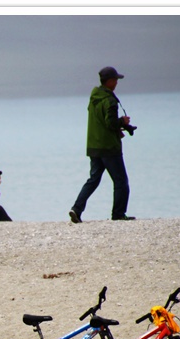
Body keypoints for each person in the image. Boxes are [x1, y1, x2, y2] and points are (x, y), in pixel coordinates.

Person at [68, 66, 135, 223]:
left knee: (93, 180)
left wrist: (120, 127)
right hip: (109, 147)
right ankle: (118, 214)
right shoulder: (110, 100)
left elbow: (100, 121)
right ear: (110, 81)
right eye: (116, 80)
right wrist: (122, 122)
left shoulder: (94, 97)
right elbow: (110, 122)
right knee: (121, 182)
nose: (117, 83)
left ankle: (76, 209)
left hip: (94, 146)